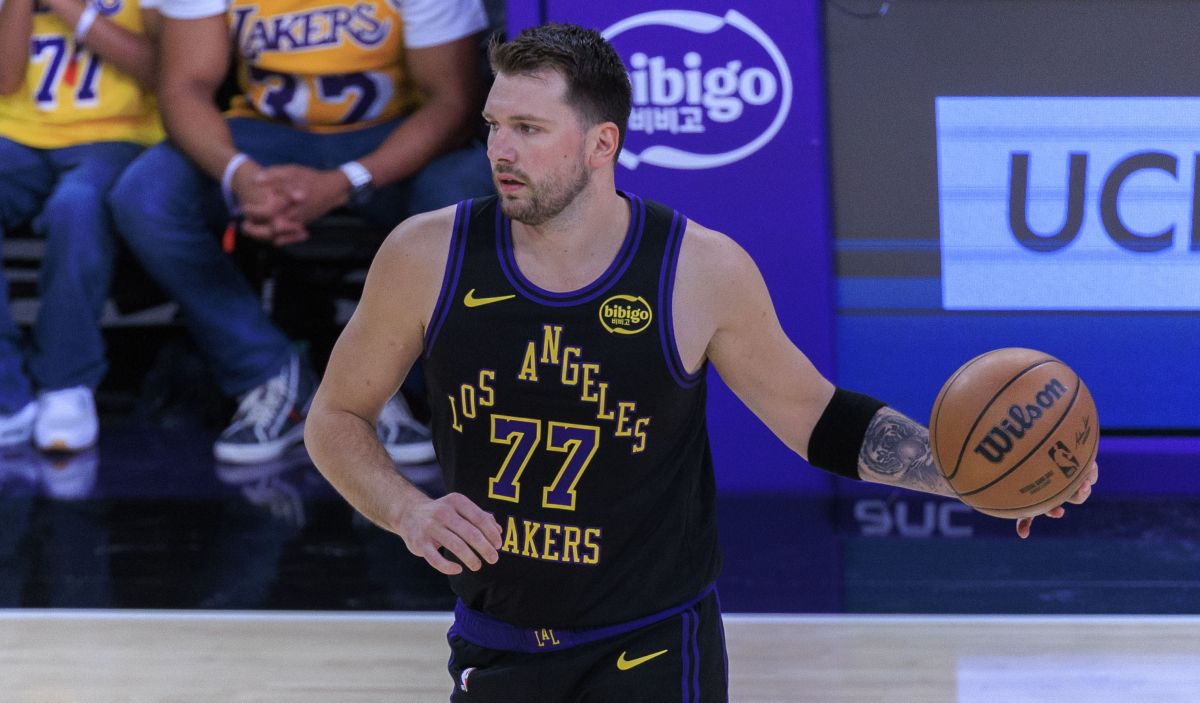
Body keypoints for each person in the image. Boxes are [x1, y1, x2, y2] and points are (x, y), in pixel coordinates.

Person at [304, 23, 1101, 702]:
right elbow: (335, 416)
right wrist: (408, 511)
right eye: (493, 124)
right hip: (494, 644)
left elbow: (816, 417)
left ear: (602, 144)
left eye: (529, 129)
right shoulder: (426, 255)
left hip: (654, 649)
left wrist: (966, 474)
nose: (500, 149)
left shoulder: (697, 270)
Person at [107, 0, 495, 464]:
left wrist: (345, 181)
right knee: (146, 197)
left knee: (465, 190)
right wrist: (241, 175)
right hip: (266, 134)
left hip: (389, 132)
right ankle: (267, 373)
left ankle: (393, 386)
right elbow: (183, 87)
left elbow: (453, 102)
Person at [0, 0, 162, 452]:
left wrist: (68, 8)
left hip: (116, 134)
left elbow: (159, 70)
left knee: (78, 207)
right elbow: (5, 80)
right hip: (16, 135)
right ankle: (6, 393)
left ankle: (65, 382)